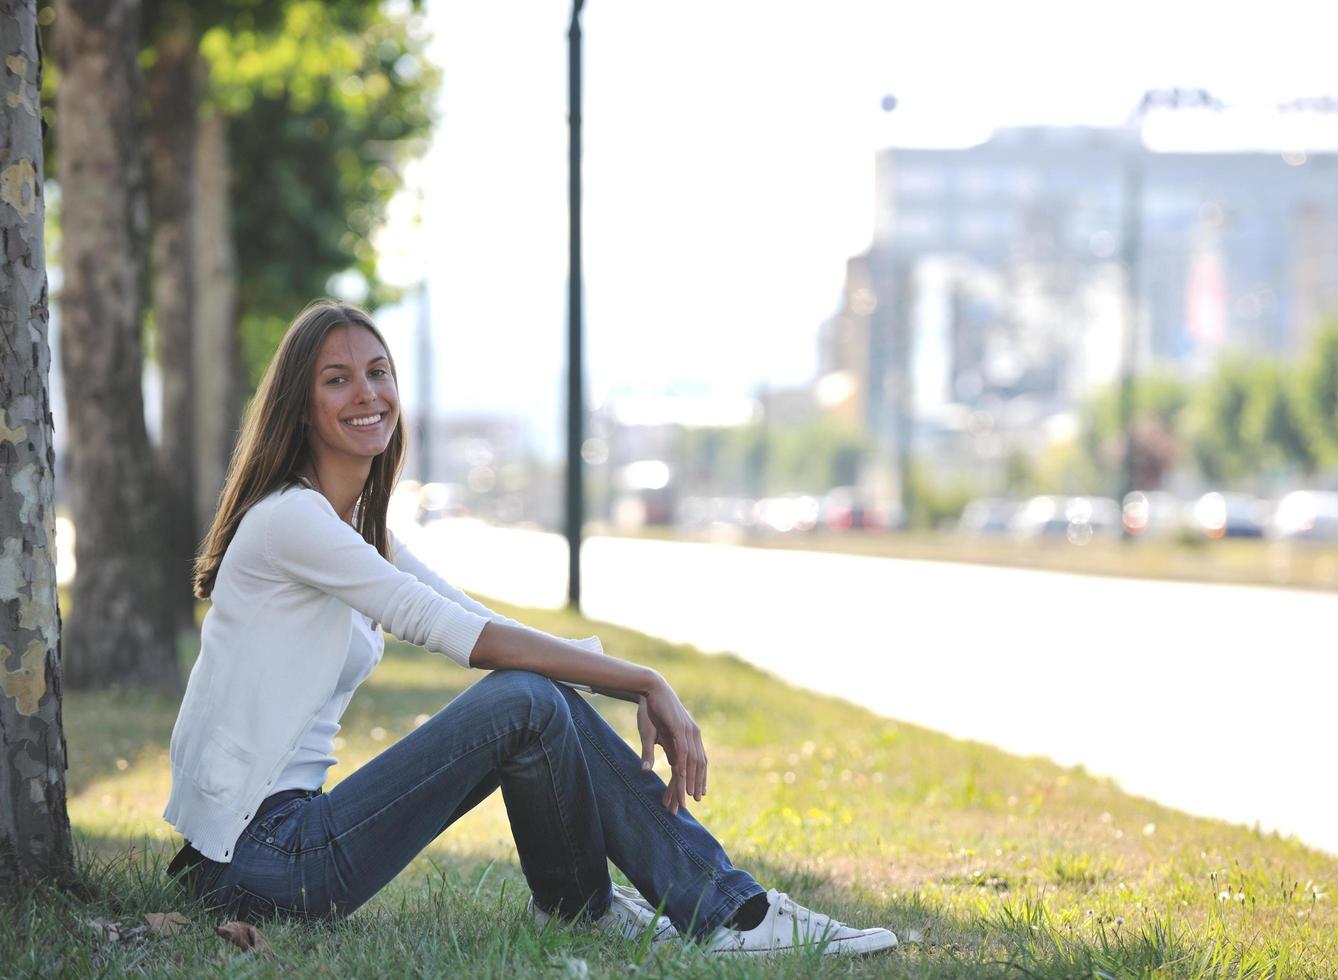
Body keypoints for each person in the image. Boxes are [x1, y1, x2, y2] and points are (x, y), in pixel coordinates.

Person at [163, 300, 897, 957]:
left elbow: (479, 619)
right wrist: (644, 681)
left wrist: (607, 677)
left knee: (531, 697)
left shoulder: (355, 530)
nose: (368, 394)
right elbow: (452, 633)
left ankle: (597, 911)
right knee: (522, 699)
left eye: (378, 372)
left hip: (271, 848)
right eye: (337, 379)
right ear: (298, 408)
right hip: (258, 860)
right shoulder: (293, 520)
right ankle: (731, 915)